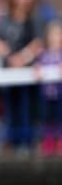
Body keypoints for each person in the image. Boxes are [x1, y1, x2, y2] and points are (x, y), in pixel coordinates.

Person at [0, 0, 47, 153]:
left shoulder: (36, 19)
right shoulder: (4, 21)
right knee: (10, 114)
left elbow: (39, 43)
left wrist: (22, 58)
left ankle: (29, 147)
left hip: (30, 78)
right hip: (10, 79)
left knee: (30, 114)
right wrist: (7, 55)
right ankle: (14, 147)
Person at [37, 20, 62, 155]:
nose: (56, 38)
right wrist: (38, 70)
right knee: (47, 118)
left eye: (58, 35)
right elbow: (38, 67)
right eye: (53, 35)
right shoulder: (44, 54)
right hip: (46, 94)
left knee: (59, 117)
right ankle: (48, 141)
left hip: (59, 93)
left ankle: (59, 141)